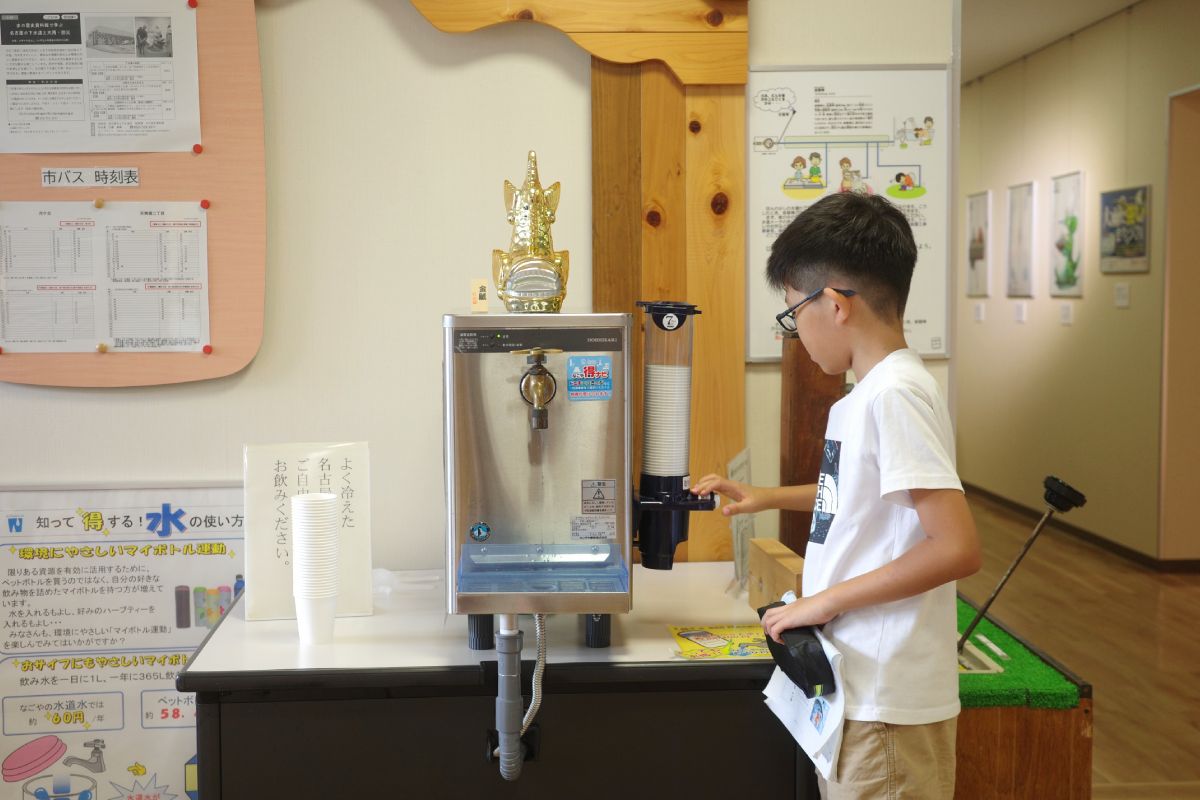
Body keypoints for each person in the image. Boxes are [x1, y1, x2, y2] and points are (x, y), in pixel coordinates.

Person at [692, 192, 981, 799]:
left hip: (886, 704)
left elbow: (954, 547)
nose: (795, 331)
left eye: (793, 312)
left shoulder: (894, 395)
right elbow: (856, 497)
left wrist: (817, 605)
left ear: (835, 304)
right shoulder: (865, 397)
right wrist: (765, 496)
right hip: (861, 690)